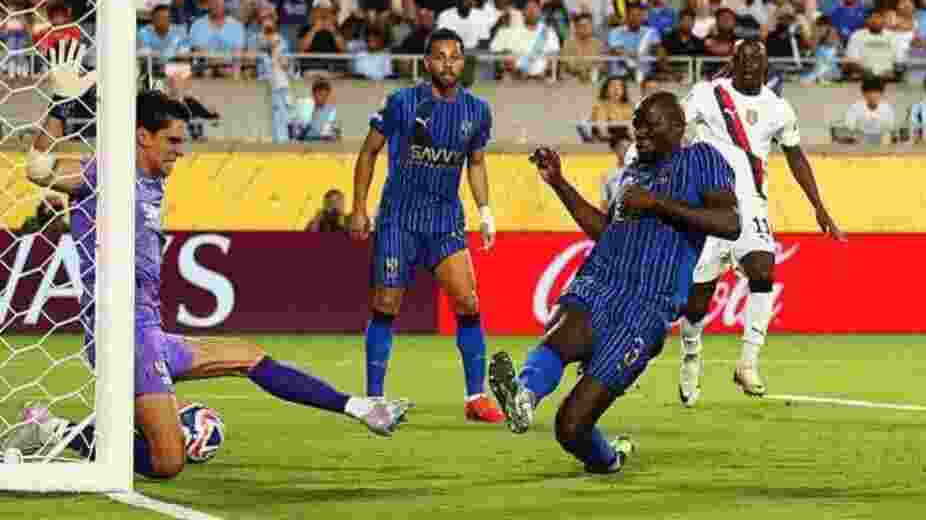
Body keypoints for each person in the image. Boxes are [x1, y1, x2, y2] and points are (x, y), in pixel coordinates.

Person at [7, 81, 407, 478]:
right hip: (124, 334)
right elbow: (39, 170)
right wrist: (59, 105)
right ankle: (55, 430)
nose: (180, 151)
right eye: (172, 141)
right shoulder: (107, 173)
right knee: (167, 462)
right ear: (143, 136)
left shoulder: (152, 179)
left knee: (249, 356)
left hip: (147, 329)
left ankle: (358, 407)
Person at [488, 93, 741, 473]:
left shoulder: (702, 159)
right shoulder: (633, 172)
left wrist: (656, 204)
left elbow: (730, 222)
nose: (640, 132)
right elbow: (607, 231)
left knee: (570, 427)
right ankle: (523, 397)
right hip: (601, 280)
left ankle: (608, 459)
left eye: (650, 124)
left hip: (647, 306)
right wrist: (558, 182)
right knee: (561, 335)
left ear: (678, 127)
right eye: (637, 125)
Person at [350, 28, 505, 424]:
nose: (448, 64)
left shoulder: (477, 111)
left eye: (455, 57)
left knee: (468, 303)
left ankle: (475, 397)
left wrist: (486, 211)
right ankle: (374, 399)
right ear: (427, 62)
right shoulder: (402, 102)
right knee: (386, 305)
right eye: (440, 56)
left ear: (463, 62)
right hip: (398, 219)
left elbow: (476, 163)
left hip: (445, 220)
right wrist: (359, 208)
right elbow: (368, 152)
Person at [676, 41, 843, 404]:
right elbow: (673, 126)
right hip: (707, 206)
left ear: (767, 67)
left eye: (758, 61)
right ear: (733, 63)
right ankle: (691, 353)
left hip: (751, 207)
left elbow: (796, 156)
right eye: (745, 60)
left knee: (764, 270)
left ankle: (747, 362)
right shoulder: (707, 95)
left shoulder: (778, 108)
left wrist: (818, 205)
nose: (752, 66)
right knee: (697, 303)